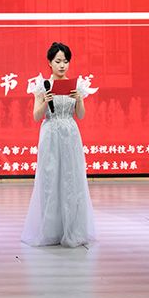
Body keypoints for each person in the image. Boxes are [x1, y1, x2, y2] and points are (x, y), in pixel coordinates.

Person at [21, 42, 97, 248]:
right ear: (49, 62)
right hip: (50, 134)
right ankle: (50, 230)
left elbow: (80, 115)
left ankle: (72, 228)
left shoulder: (76, 85)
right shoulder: (42, 85)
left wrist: (79, 99)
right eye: (58, 61)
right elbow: (37, 116)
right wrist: (46, 101)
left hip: (70, 134)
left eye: (65, 61)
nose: (62, 65)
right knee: (50, 179)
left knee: (72, 179)